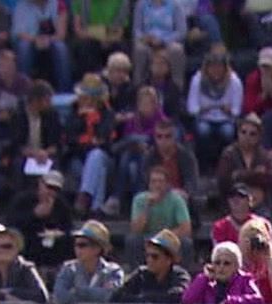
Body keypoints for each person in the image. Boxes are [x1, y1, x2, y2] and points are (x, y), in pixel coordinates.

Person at [111, 228, 191, 304]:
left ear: (169, 259)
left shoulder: (180, 275)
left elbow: (178, 295)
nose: (149, 260)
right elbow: (117, 296)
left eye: (155, 256)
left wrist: (143, 300)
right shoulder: (141, 274)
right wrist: (149, 302)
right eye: (147, 255)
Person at [52, 220, 124, 304]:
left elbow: (109, 297)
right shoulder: (68, 269)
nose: (77, 249)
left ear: (97, 248)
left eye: (82, 245)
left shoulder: (113, 271)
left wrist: (77, 291)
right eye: (76, 244)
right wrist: (96, 293)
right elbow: (59, 298)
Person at [63, 73, 117, 216]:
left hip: (105, 158)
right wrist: (82, 119)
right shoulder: (74, 113)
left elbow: (105, 140)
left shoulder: (107, 114)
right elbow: (70, 140)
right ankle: (95, 209)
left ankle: (84, 196)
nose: (87, 102)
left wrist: (94, 120)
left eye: (91, 99)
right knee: (98, 171)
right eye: (85, 98)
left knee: (96, 156)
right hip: (78, 159)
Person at [186, 45, 242, 167]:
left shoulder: (234, 81)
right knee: (203, 131)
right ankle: (204, 165)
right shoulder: (197, 79)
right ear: (207, 67)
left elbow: (237, 110)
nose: (216, 70)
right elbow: (191, 107)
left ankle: (225, 165)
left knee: (227, 132)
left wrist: (229, 110)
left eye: (219, 67)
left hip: (225, 119)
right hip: (204, 118)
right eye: (213, 67)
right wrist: (202, 109)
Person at [11, 169, 77, 271]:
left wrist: (60, 233)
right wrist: (34, 215)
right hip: (29, 246)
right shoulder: (23, 200)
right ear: (40, 184)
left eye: (55, 189)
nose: (51, 191)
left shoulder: (61, 205)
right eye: (49, 187)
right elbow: (13, 224)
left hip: (54, 247)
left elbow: (68, 228)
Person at [127, 163, 192, 267]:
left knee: (186, 243)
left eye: (161, 182)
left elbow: (186, 228)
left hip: (169, 237)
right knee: (132, 240)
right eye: (153, 182)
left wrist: (162, 238)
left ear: (167, 184)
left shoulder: (176, 200)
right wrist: (147, 207)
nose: (157, 185)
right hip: (147, 237)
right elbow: (136, 229)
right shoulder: (139, 200)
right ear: (149, 184)